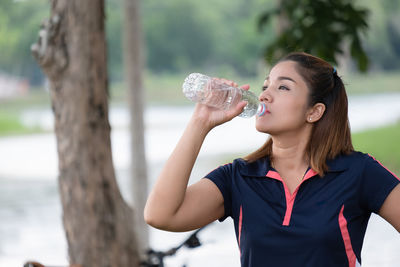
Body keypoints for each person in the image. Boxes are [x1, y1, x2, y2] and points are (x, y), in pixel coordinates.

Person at [144, 52, 400, 266]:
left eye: (283, 87)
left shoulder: (358, 172)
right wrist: (200, 122)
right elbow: (161, 215)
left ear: (314, 111)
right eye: (265, 86)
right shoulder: (239, 177)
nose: (265, 95)